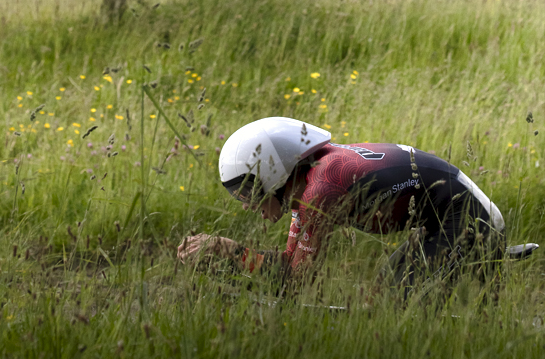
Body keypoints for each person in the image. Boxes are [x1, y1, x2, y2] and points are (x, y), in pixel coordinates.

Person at [177, 117, 507, 295]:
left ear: (273, 171)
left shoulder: (322, 188)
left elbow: (294, 283)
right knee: (384, 293)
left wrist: (227, 251)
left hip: (472, 222)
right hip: (449, 218)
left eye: (248, 191)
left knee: (394, 305)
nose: (248, 206)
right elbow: (291, 268)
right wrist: (228, 256)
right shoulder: (309, 181)